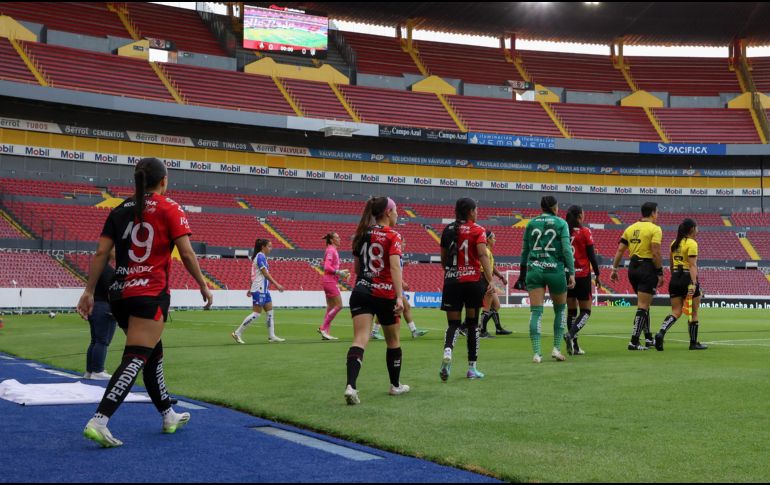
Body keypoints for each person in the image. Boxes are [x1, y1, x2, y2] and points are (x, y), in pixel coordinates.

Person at [77, 157, 213, 448]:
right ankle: (99, 420)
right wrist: (203, 284)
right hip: (149, 293)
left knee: (153, 354)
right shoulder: (170, 207)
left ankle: (168, 414)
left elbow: (101, 254)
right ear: (164, 180)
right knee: (136, 357)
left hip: (119, 294)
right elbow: (187, 253)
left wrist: (88, 291)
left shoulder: (118, 210)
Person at [344, 196, 409, 405]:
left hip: (361, 291)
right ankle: (395, 385)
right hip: (384, 294)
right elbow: (395, 267)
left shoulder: (361, 234)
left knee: (360, 339)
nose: (398, 214)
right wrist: (399, 296)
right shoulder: (393, 235)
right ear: (388, 213)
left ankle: (351, 386)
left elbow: (356, 269)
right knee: (393, 341)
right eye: (396, 210)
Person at [439, 198, 494, 381]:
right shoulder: (478, 230)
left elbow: (444, 260)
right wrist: (490, 279)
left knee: (453, 325)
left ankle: (448, 350)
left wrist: (453, 273)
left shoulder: (447, 230)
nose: (477, 213)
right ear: (471, 212)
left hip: (452, 282)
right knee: (472, 325)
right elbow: (482, 255)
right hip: (472, 282)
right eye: (476, 210)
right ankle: (472, 369)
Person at [516, 196, 575, 363]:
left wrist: (522, 274)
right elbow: (566, 249)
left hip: (534, 270)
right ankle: (556, 349)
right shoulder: (561, 223)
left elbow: (524, 251)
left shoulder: (531, 223)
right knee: (560, 310)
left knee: (536, 312)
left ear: (542, 207)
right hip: (555, 270)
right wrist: (571, 272)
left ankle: (536, 353)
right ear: (555, 207)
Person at [610, 202, 665, 351]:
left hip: (632, 268)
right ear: (653, 213)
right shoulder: (655, 229)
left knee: (644, 304)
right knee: (643, 305)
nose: (658, 215)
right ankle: (634, 341)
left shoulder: (630, 228)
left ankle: (648, 338)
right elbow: (655, 252)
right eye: (657, 212)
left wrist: (614, 269)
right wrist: (660, 272)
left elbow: (620, 250)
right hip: (647, 267)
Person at [654, 218, 708, 351]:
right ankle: (693, 343)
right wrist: (694, 283)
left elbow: (672, 266)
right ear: (692, 229)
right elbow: (692, 265)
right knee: (693, 313)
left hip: (675, 278)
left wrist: (675, 279)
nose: (697, 230)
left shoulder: (674, 243)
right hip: (687, 278)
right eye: (696, 227)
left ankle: (661, 332)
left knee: (676, 311)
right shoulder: (692, 243)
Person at [563, 206, 602, 356]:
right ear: (580, 216)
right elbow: (592, 256)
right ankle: (571, 335)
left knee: (571, 311)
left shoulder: (564, 231)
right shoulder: (585, 232)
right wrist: (597, 274)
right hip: (582, 276)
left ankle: (575, 346)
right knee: (586, 311)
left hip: (567, 275)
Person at [371, 238, 428, 340]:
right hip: (392, 287)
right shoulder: (394, 255)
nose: (404, 244)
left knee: (401, 307)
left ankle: (413, 331)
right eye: (403, 242)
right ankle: (414, 331)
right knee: (402, 307)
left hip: (393, 286)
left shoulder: (398, 256)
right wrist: (402, 283)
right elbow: (392, 271)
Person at [231, 239, 286, 344]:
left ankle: (271, 336)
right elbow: (265, 274)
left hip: (264, 289)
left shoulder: (262, 257)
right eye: (269, 246)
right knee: (256, 314)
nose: (271, 248)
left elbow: (254, 275)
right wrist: (277, 284)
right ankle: (237, 333)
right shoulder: (260, 257)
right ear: (263, 247)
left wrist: (250, 288)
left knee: (270, 312)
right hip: (259, 289)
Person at [83, 248, 117, 380]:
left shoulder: (97, 268)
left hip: (94, 305)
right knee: (102, 341)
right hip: (104, 307)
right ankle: (98, 371)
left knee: (95, 340)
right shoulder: (107, 269)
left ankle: (90, 371)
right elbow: (112, 292)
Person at [479, 230, 512, 338]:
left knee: (496, 305)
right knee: (488, 306)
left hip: (486, 280)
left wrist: (501, 277)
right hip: (485, 280)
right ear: (488, 239)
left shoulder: (488, 252)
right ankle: (481, 330)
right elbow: (485, 269)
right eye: (493, 238)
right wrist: (490, 282)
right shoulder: (486, 252)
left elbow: (491, 267)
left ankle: (496, 328)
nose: (495, 240)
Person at [318, 232, 350, 341]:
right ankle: (323, 328)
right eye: (337, 237)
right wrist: (339, 272)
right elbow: (327, 267)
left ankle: (326, 332)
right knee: (339, 305)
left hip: (329, 280)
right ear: (331, 240)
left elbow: (332, 269)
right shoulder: (331, 250)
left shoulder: (332, 250)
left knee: (330, 307)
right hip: (329, 281)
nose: (340, 239)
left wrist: (341, 272)